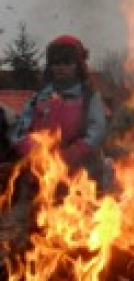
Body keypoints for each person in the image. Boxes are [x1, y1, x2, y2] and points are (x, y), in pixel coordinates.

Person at [12, 35, 107, 186]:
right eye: (55, 63)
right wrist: (35, 151)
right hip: (41, 177)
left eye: (67, 62)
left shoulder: (89, 98)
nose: (60, 67)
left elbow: (98, 130)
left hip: (82, 179)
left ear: (78, 66)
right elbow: (18, 132)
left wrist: (76, 151)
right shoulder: (38, 98)